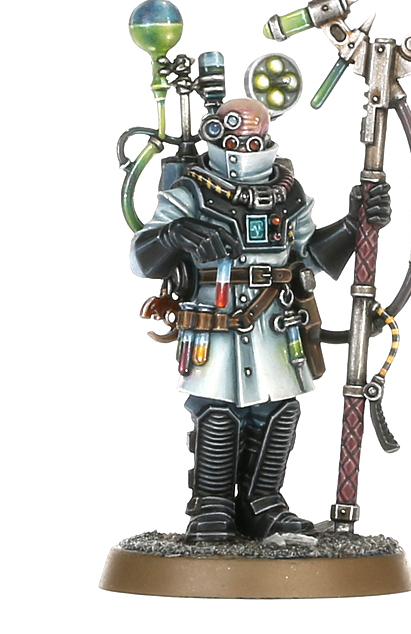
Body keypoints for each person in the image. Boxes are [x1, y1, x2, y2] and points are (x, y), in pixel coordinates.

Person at [131, 98, 390, 542]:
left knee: (278, 411)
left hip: (275, 322)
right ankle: (212, 504)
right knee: (218, 413)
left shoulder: (288, 194)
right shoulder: (190, 191)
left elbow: (310, 255)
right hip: (214, 323)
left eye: (254, 139)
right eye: (235, 137)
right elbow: (141, 258)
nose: (244, 146)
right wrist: (174, 235)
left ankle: (263, 502)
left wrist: (354, 224)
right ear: (215, 134)